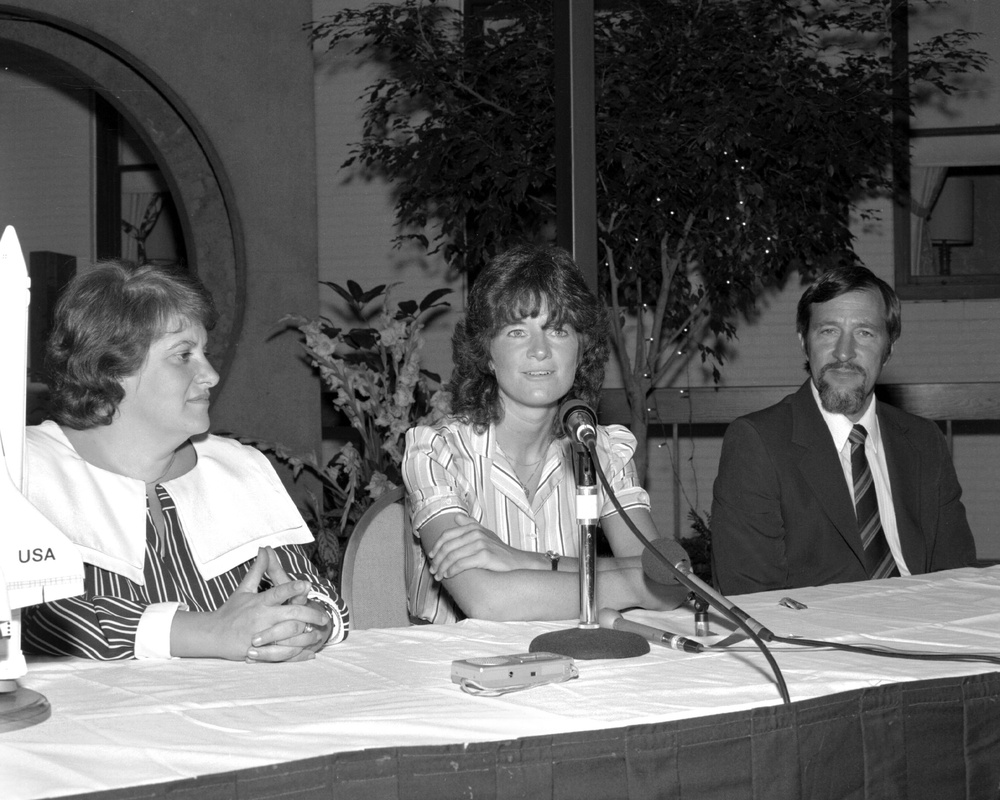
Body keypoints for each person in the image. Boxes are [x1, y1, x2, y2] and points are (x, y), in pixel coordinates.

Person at [21, 261, 348, 661]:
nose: (209, 373)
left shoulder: (236, 468)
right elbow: (34, 621)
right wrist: (208, 632)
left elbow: (314, 594)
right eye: (183, 355)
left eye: (204, 353)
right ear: (110, 370)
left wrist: (309, 623)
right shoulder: (25, 470)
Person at [402, 244, 687, 623]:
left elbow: (671, 582)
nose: (540, 350)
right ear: (486, 353)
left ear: (581, 348)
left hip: (579, 664)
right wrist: (634, 583)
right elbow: (491, 602)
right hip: (464, 671)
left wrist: (520, 560)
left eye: (556, 329)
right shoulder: (437, 452)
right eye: (517, 332)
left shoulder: (602, 449)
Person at [710, 265, 977, 595]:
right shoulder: (758, 442)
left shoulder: (923, 440)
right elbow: (752, 601)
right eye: (828, 331)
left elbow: (957, 576)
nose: (844, 353)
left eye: (865, 333)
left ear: (889, 348)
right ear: (804, 342)